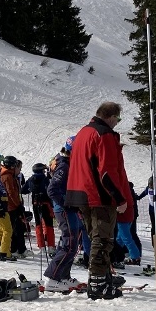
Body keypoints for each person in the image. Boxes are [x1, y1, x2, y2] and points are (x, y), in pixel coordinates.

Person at [65, 101, 130, 300]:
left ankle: (103, 276)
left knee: (96, 238)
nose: (117, 123)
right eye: (117, 119)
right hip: (99, 195)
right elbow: (106, 171)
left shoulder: (83, 132)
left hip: (80, 192)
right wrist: (119, 198)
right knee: (102, 240)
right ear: (111, 117)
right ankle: (98, 283)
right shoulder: (104, 135)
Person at [42, 137, 82, 292]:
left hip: (69, 209)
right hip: (64, 209)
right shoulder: (64, 166)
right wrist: (67, 203)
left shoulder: (66, 163)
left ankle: (63, 276)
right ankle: (52, 278)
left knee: (72, 242)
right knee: (70, 244)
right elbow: (52, 190)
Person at [26, 163, 56, 251]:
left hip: (36, 204)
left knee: (38, 224)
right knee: (49, 225)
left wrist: (30, 189)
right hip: (46, 204)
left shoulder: (30, 179)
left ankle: (41, 246)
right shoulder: (45, 179)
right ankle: (51, 246)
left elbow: (23, 190)